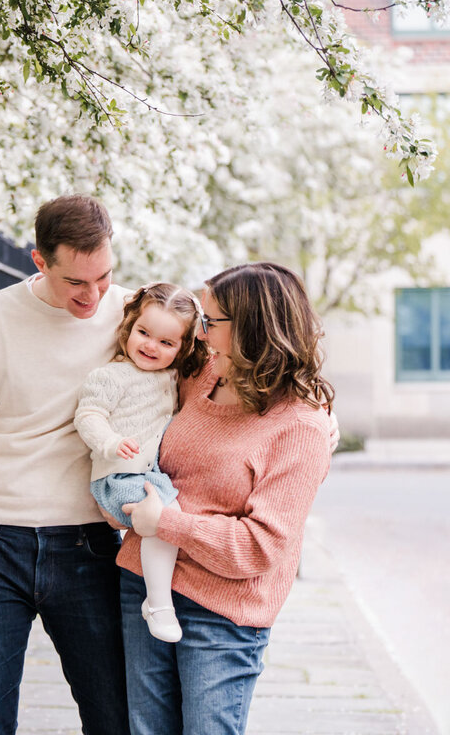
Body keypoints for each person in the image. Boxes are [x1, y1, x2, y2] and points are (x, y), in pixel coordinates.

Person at [0, 193, 131, 735]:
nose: (93, 295)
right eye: (76, 282)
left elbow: (207, 374)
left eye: (105, 276)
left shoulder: (132, 314)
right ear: (40, 261)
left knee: (115, 717)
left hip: (89, 545)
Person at [117, 262, 335, 735]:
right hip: (146, 586)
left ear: (253, 330)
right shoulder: (202, 372)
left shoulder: (299, 426)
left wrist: (166, 524)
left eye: (211, 321)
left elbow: (262, 547)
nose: (199, 329)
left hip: (224, 613)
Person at [74, 283, 208, 644]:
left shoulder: (172, 377)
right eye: (144, 333)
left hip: (147, 474)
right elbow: (88, 415)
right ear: (130, 327)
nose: (150, 346)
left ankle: (158, 600)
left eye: (166, 343)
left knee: (168, 516)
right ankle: (159, 603)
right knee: (163, 517)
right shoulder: (112, 375)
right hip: (117, 474)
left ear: (183, 348)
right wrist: (111, 442)